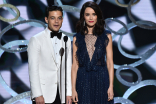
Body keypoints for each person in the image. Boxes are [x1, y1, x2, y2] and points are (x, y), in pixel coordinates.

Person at [27, 5, 72, 104]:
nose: (56, 21)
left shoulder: (66, 39)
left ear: (62, 20)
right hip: (43, 94)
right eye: (53, 18)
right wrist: (37, 94)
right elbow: (33, 69)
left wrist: (69, 92)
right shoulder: (36, 40)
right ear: (46, 19)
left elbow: (68, 68)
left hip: (62, 94)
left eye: (59, 18)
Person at [71, 1, 114, 104]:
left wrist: (111, 86)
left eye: (94, 14)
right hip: (82, 81)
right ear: (83, 17)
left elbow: (109, 63)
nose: (91, 18)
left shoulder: (106, 36)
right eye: (87, 14)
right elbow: (74, 66)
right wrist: (73, 89)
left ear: (97, 16)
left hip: (101, 80)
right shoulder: (77, 38)